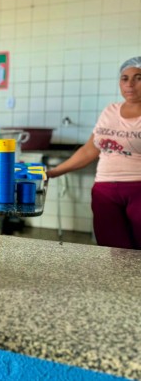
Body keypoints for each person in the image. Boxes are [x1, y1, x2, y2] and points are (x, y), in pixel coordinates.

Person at [47, 57, 141, 249]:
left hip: (138, 189)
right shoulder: (110, 111)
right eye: (124, 78)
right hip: (104, 191)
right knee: (112, 250)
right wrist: (53, 172)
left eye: (138, 78)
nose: (130, 84)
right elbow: (90, 150)